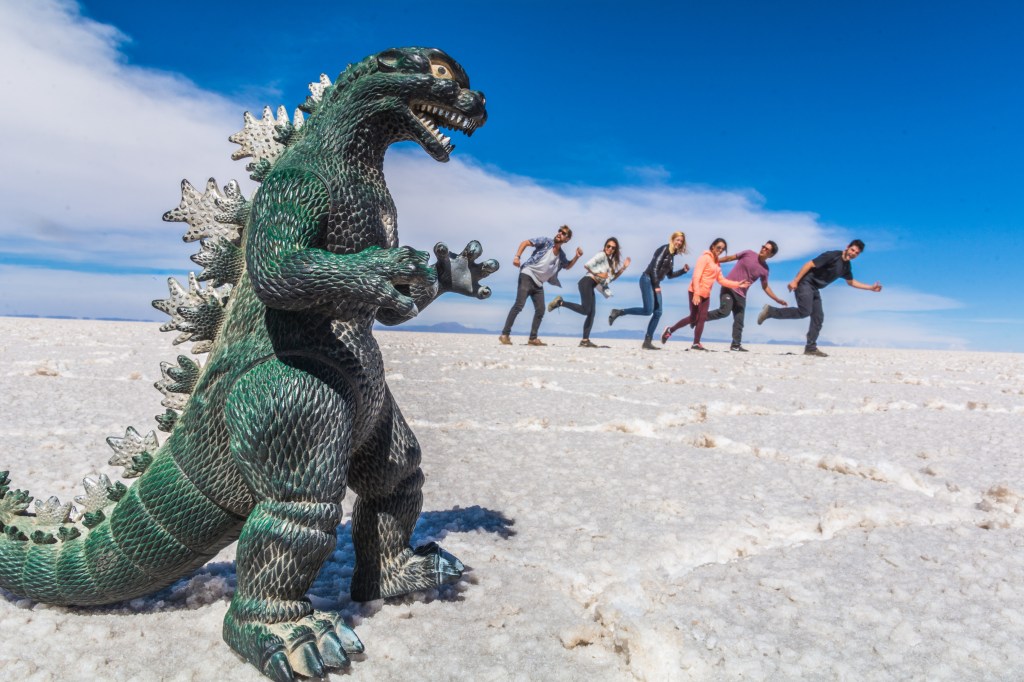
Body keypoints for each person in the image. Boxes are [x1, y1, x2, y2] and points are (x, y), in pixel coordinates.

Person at [756, 239, 883, 357]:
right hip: (805, 283)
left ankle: (810, 348)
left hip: (815, 289)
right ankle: (770, 312)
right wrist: (795, 281)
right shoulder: (833, 255)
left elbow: (851, 282)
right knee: (805, 311)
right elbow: (809, 264)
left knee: (818, 317)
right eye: (852, 250)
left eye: (857, 253)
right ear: (847, 248)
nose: (853, 253)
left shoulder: (846, 267)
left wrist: (870, 288)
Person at [499, 225, 583, 346]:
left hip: (538, 283)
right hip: (527, 275)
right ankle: (505, 335)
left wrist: (577, 257)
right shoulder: (546, 242)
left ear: (567, 239)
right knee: (519, 304)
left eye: (563, 233)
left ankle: (533, 339)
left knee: (540, 310)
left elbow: (567, 266)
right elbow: (525, 243)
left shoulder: (561, 255)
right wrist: (517, 257)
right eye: (559, 231)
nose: (560, 233)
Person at [661, 238, 749, 350]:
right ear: (712, 246)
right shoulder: (704, 258)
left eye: (722, 249)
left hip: (706, 294)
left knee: (701, 318)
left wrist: (737, 284)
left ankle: (696, 343)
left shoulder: (717, 263)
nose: (720, 250)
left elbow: (721, 280)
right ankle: (670, 330)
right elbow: (696, 276)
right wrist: (696, 294)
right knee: (694, 318)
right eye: (718, 247)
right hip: (695, 291)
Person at [608, 231, 690, 350]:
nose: (679, 242)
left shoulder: (671, 256)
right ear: (672, 239)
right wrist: (656, 285)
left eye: (681, 241)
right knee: (648, 310)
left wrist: (683, 271)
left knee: (658, 312)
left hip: (655, 282)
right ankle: (619, 312)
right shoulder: (664, 249)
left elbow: (670, 275)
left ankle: (647, 341)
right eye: (677, 240)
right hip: (647, 279)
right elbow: (654, 268)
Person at [703, 240, 788, 352]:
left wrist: (777, 299)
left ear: (771, 255)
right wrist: (713, 260)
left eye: (767, 249)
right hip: (728, 288)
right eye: (763, 246)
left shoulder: (765, 270)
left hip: (742, 295)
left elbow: (765, 287)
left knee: (739, 321)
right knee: (724, 312)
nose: (763, 249)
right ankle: (699, 319)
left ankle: (736, 345)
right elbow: (730, 258)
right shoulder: (748, 253)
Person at [547, 237, 631, 347]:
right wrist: (599, 274)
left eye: (613, 248)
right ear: (605, 246)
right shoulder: (601, 255)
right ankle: (560, 303)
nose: (610, 249)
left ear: (615, 250)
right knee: (586, 310)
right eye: (608, 246)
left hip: (591, 286)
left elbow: (612, 278)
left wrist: (623, 268)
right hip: (586, 282)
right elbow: (587, 265)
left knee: (592, 313)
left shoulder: (609, 262)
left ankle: (585, 341)